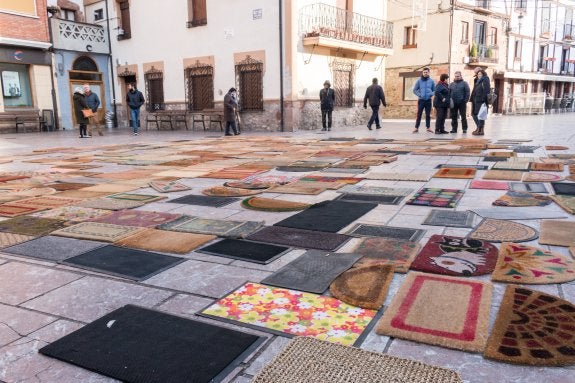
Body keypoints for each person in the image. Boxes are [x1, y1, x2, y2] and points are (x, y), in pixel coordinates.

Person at [413, 67, 435, 133]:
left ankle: (428, 127)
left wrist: (431, 94)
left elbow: (435, 90)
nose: (425, 73)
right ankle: (416, 127)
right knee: (419, 114)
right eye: (424, 72)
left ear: (428, 73)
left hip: (428, 100)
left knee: (428, 114)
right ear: (423, 73)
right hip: (421, 100)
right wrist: (420, 95)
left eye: (426, 72)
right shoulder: (419, 81)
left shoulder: (431, 81)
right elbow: (414, 90)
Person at [470, 68, 490, 136]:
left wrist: (484, 100)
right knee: (475, 114)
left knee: (481, 115)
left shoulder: (485, 79)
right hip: (476, 99)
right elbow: (475, 90)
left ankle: (480, 130)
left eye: (480, 74)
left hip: (481, 100)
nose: (478, 75)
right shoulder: (478, 80)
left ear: (483, 74)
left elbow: (486, 90)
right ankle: (479, 128)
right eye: (478, 74)